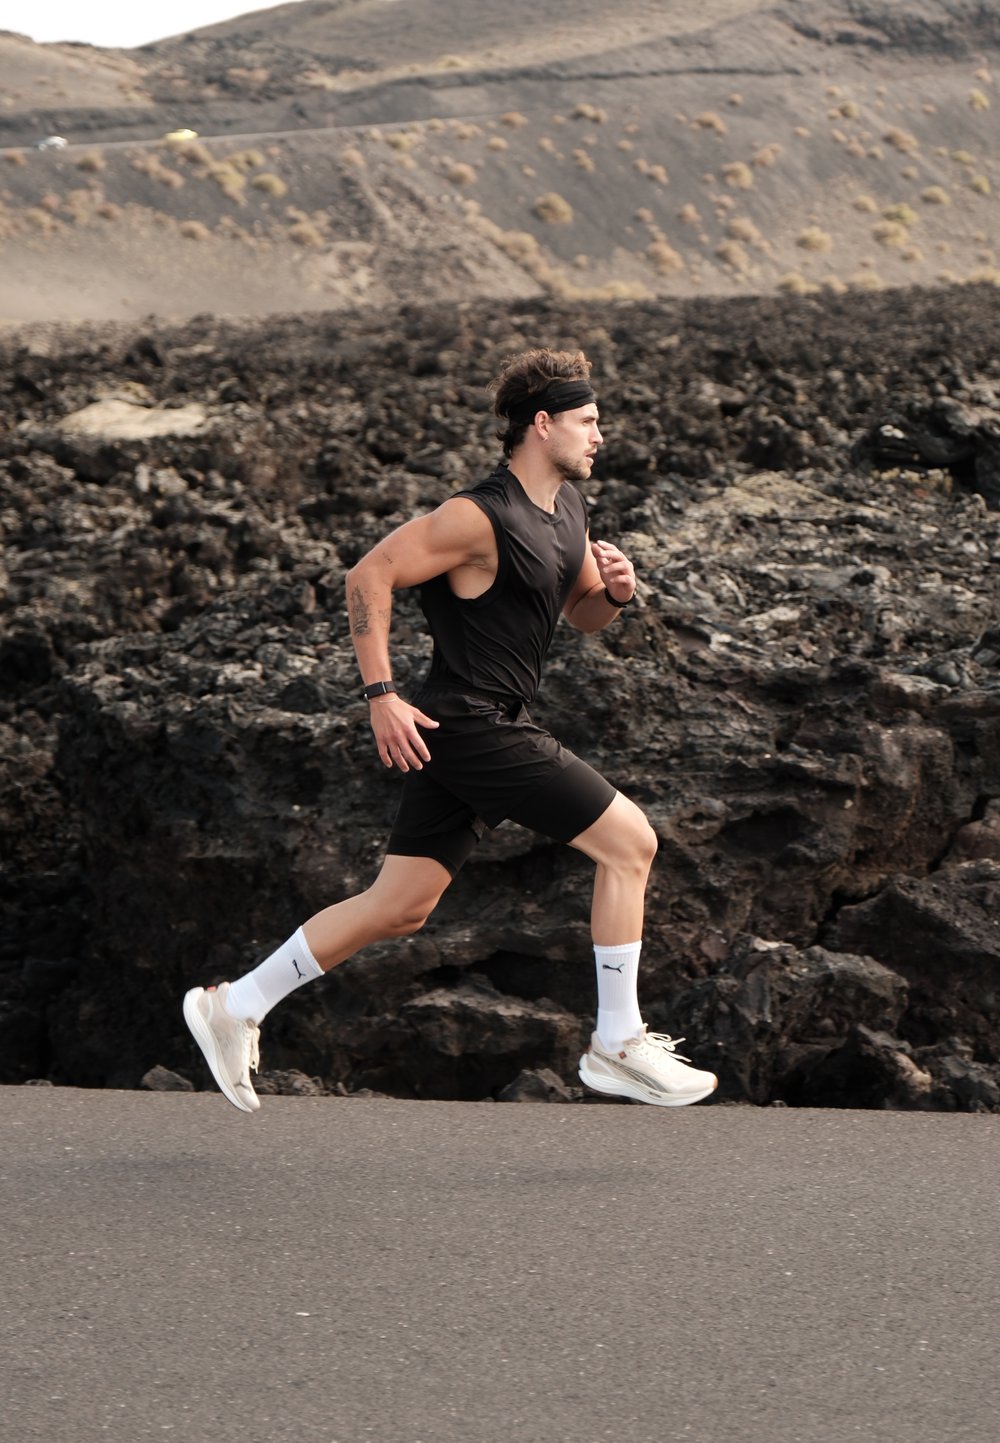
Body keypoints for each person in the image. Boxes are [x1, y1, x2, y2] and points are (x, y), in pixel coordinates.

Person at [183, 348, 717, 1112]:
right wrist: (380, 693)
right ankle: (617, 1042)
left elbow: (581, 611)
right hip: (470, 722)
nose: (601, 436)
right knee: (631, 842)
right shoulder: (478, 515)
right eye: (588, 421)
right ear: (543, 424)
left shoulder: (567, 509)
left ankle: (233, 1005)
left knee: (400, 905)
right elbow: (367, 574)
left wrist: (619, 595)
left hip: (475, 725)